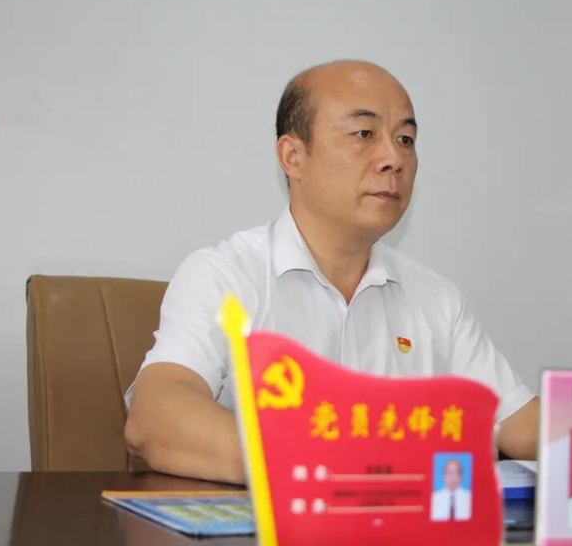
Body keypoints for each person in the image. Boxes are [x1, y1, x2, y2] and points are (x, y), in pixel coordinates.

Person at [124, 60, 540, 484]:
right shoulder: (225, 276)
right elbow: (155, 419)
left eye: (406, 139)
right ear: (293, 157)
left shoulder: (436, 300)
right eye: (364, 134)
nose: (393, 159)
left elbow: (523, 428)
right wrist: (334, 464)